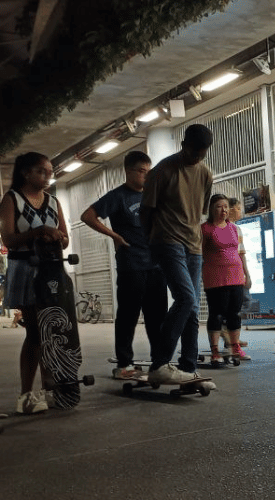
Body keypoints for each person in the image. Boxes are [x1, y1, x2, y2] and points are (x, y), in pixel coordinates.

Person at [140, 124, 216, 386]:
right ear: (184, 145)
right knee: (185, 298)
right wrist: (152, 244)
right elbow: (146, 211)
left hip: (193, 245)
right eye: (194, 151)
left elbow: (199, 212)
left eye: (202, 153)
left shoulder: (206, 174)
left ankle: (188, 367)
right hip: (166, 240)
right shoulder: (162, 170)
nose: (197, 157)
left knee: (193, 307)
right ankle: (160, 364)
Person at [81, 151, 166, 380]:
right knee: (128, 316)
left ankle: (160, 363)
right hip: (131, 266)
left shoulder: (153, 196)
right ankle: (125, 364)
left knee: (157, 317)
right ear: (128, 172)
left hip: (156, 266)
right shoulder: (117, 197)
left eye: (149, 172)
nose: (146, 176)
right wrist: (115, 236)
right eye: (141, 171)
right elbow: (88, 216)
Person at [0, 151, 70, 414]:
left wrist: (58, 238)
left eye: (50, 172)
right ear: (25, 173)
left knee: (52, 331)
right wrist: (39, 232)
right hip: (25, 269)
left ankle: (50, 388)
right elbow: (8, 239)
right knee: (36, 333)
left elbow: (66, 238)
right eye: (42, 171)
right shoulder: (12, 200)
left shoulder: (53, 201)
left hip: (51, 269)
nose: (47, 176)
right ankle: (26, 394)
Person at [202, 194, 252, 363]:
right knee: (216, 314)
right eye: (218, 206)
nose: (223, 210)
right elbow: (198, 254)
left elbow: (240, 252)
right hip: (215, 278)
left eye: (225, 206)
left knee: (234, 314)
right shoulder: (205, 229)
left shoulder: (234, 228)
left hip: (235, 276)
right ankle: (215, 350)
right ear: (211, 209)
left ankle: (235, 346)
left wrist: (246, 274)